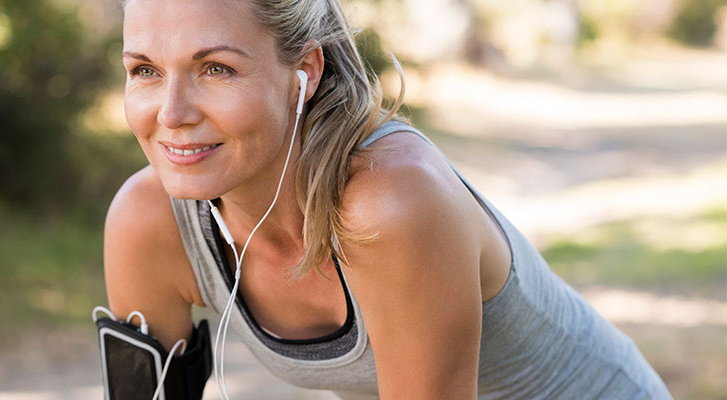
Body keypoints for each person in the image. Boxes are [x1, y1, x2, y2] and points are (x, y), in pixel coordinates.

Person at [103, 0, 673, 398]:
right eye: (145, 70)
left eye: (216, 68)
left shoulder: (388, 204)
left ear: (304, 71)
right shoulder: (148, 221)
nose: (171, 113)